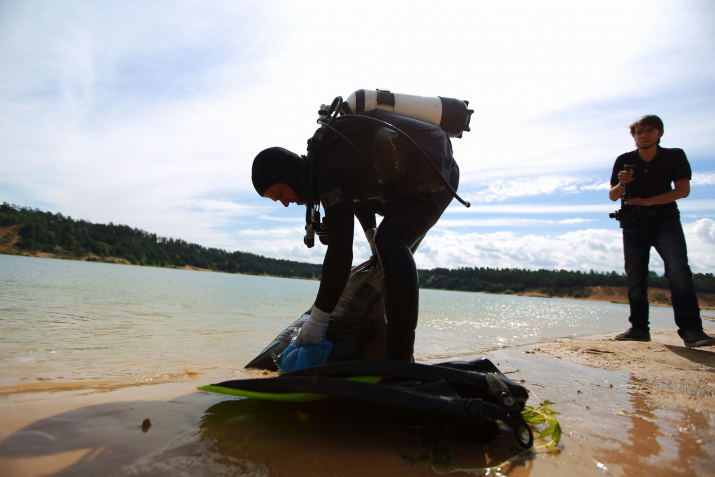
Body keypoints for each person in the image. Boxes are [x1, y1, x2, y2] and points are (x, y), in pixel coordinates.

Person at [252, 110, 460, 361]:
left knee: (391, 241)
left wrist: (318, 319)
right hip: (411, 187)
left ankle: (401, 355)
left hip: (439, 178)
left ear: (286, 176)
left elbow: (340, 252)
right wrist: (371, 233)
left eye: (279, 194)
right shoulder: (326, 164)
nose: (284, 203)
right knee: (384, 245)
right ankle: (386, 347)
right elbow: (360, 195)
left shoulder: (328, 171)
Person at [609, 114, 715, 348]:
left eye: (649, 131)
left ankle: (692, 331)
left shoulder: (674, 155)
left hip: (665, 222)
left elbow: (682, 190)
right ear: (633, 136)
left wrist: (651, 202)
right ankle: (639, 329)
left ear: (660, 133)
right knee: (635, 278)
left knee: (678, 271)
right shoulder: (624, 160)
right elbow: (613, 195)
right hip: (633, 225)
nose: (643, 136)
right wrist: (622, 182)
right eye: (639, 132)